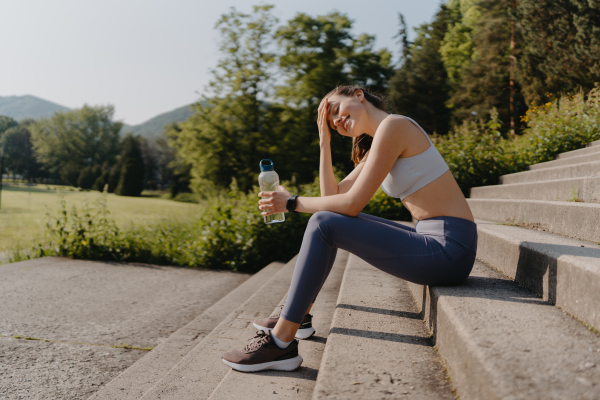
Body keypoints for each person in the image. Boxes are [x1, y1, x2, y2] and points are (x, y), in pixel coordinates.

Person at [221, 86, 477, 373]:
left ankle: (280, 342)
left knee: (324, 223)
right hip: (432, 238)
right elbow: (331, 198)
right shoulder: (381, 140)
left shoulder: (396, 126)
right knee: (326, 219)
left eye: (335, 111)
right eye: (330, 122)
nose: (336, 121)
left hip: (449, 249)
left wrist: (291, 202)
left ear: (358, 95)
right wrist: (324, 141)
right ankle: (298, 316)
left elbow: (352, 204)